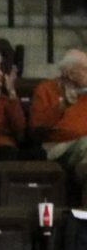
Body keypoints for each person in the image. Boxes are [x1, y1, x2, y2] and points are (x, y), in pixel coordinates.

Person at [30, 48, 87, 193]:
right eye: (85, 70)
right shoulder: (46, 90)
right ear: (70, 73)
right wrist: (61, 107)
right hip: (56, 146)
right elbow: (38, 126)